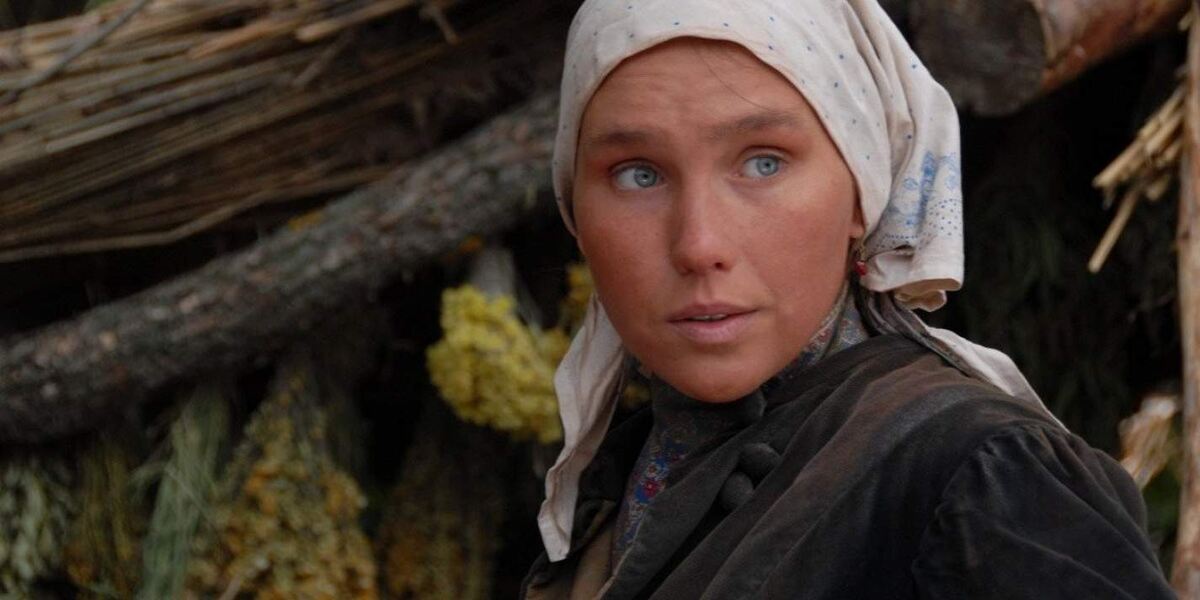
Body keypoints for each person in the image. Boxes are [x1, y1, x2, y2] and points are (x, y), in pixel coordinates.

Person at [522, 1, 1175, 598]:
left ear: (864, 190)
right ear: (574, 208)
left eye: (764, 163)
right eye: (637, 174)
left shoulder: (980, 482)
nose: (699, 245)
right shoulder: (626, 483)